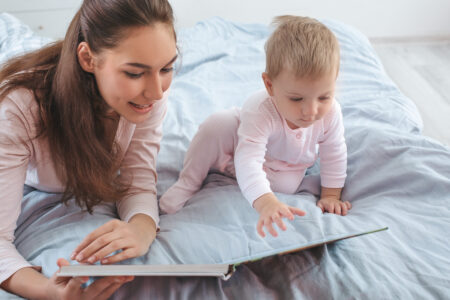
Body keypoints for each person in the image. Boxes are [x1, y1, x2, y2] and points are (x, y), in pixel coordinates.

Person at [0, 0, 177, 298]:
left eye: (167, 68)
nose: (157, 91)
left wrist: (142, 228)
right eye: (135, 73)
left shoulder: (150, 98)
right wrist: (47, 291)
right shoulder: (20, 110)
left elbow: (137, 180)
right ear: (87, 58)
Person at [159, 15, 352, 238]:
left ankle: (234, 171)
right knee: (217, 124)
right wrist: (265, 202)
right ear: (270, 85)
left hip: (283, 167)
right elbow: (249, 159)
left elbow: (334, 153)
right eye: (297, 99)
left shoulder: (332, 114)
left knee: (284, 186)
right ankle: (189, 181)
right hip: (242, 142)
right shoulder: (260, 109)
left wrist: (331, 195)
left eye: (324, 97)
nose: (311, 111)